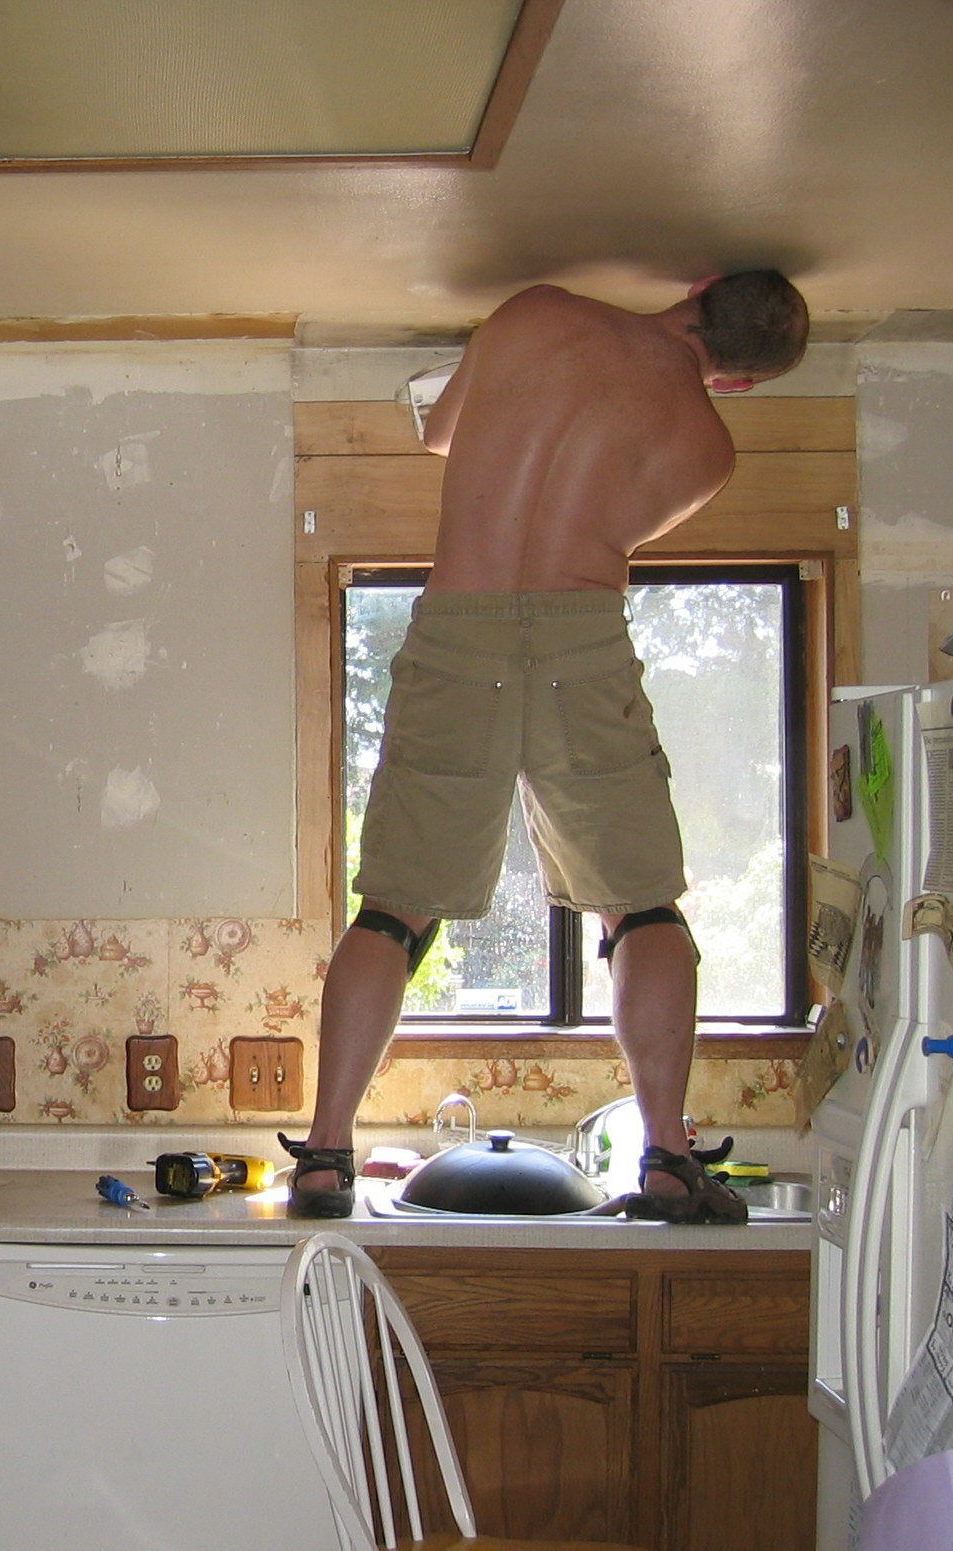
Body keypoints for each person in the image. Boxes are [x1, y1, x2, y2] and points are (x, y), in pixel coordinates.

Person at [283, 271, 810, 1221]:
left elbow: (442, 430)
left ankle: (325, 1155)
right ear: (733, 380)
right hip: (582, 637)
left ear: (693, 287)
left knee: (393, 913)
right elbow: (616, 522)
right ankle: (666, 1158)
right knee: (643, 910)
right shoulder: (706, 444)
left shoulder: (533, 313)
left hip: (460, 630)